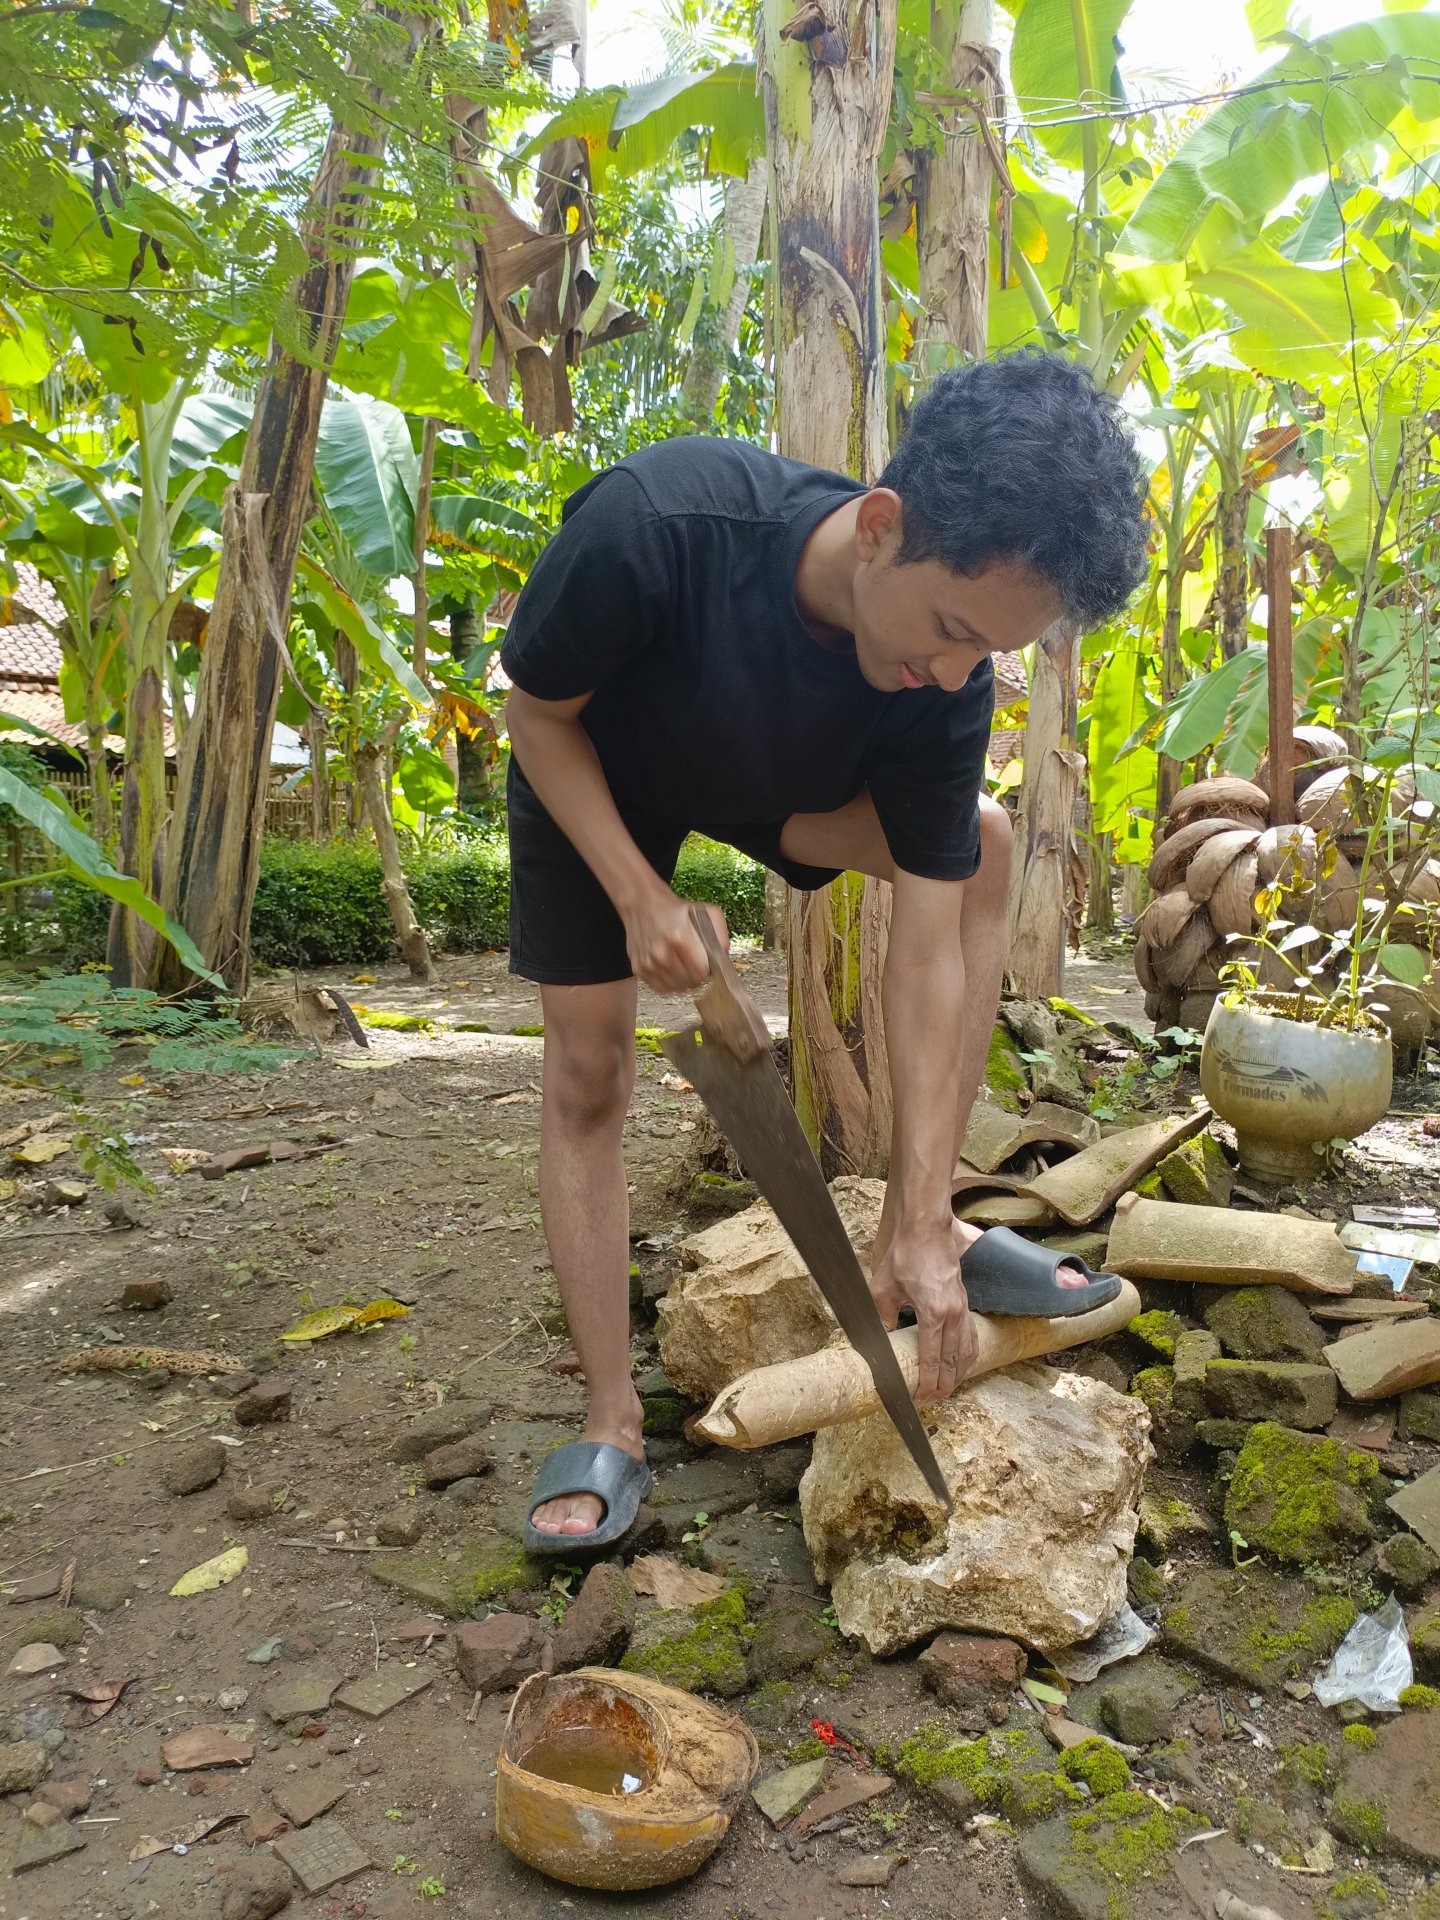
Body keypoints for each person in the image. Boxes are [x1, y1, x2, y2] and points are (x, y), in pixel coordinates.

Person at [501, 350, 1149, 1552]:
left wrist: (920, 1203)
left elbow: (930, 950)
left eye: (984, 655)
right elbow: (534, 713)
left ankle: (928, 1232)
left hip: (770, 784)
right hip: (595, 762)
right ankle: (610, 1420)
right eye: (949, 630)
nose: (950, 674)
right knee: (588, 1065)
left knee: (979, 848)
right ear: (881, 526)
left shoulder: (946, 684)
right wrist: (639, 895)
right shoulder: (657, 525)